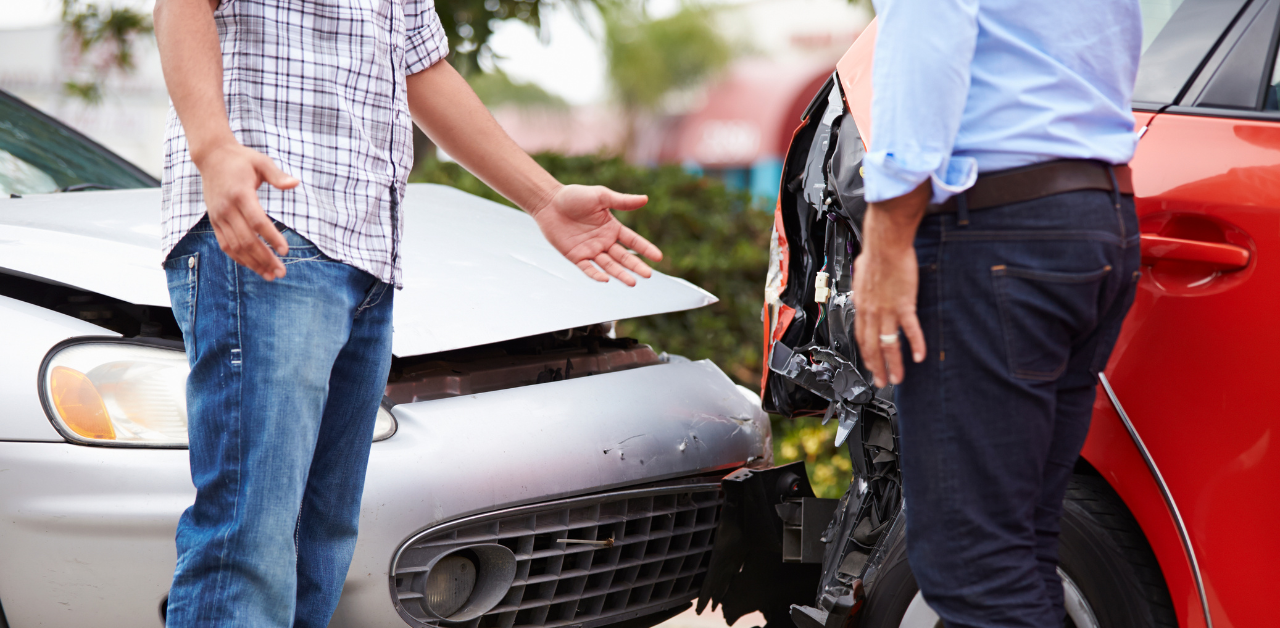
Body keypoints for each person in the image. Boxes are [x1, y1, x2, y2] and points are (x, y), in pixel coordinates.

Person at [151, 0, 662, 625]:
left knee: (321, 540)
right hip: (269, 232)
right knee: (248, 535)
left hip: (365, 256)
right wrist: (213, 146)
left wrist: (545, 198)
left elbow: (421, 70)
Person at [850, 1, 1142, 626]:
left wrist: (887, 232)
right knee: (1022, 549)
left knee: (974, 568)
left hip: (997, 231)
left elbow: (931, 25)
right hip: (1097, 216)